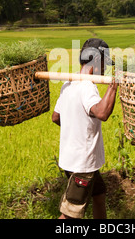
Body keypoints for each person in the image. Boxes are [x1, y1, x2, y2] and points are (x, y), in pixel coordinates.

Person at [51, 38, 118, 219]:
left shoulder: (69, 83)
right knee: (70, 214)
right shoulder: (87, 86)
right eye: (104, 63)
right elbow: (102, 113)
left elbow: (56, 117)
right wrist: (113, 87)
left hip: (70, 159)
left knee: (99, 194)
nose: (105, 69)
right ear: (96, 61)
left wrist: (75, 128)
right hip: (83, 164)